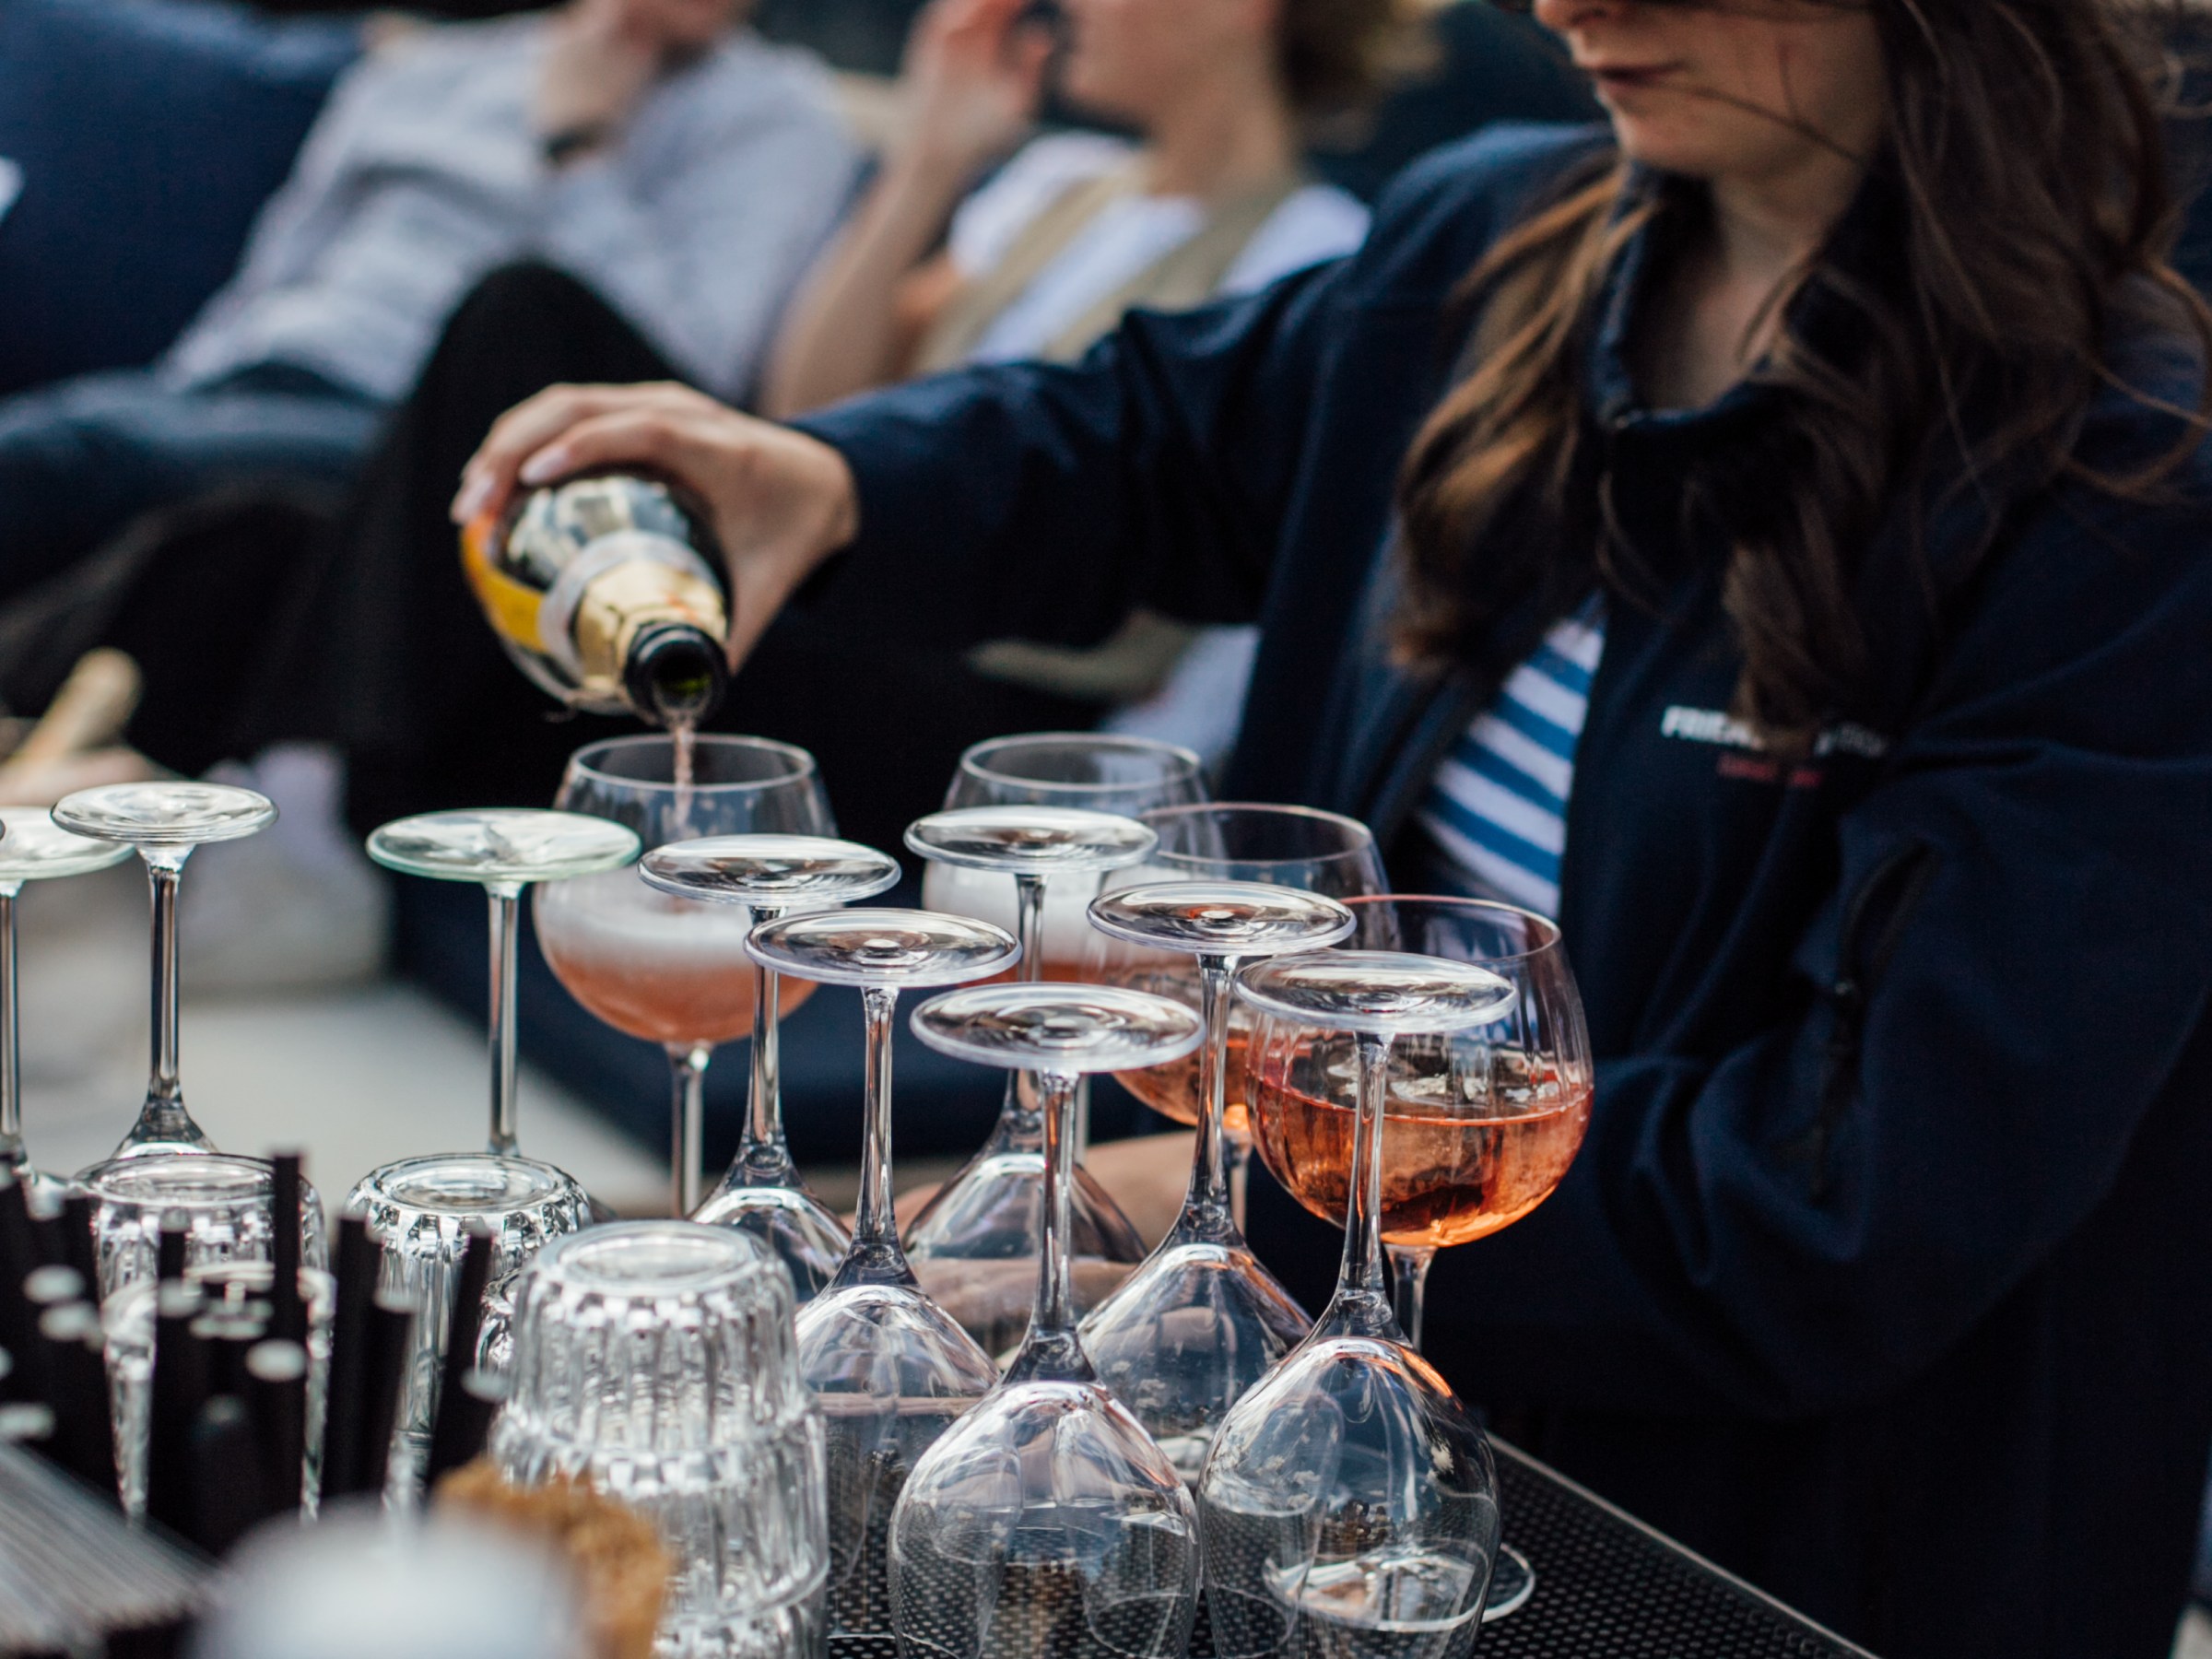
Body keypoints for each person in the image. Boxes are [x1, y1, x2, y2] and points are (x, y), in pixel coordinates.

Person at [453, 0, 2212, 1653]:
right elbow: (1145, 441)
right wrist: (829, 484)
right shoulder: (1493, 242)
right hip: (1360, 1463)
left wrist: (1235, 1203)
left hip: (1788, 1554)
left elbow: (1845, 1206)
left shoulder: (2128, 483)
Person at [0, 0, 857, 607]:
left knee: (63, 457)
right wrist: (184, 389)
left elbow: (682, 365)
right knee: (76, 443)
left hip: (423, 433)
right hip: (248, 381)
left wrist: (581, 148)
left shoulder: (778, 121)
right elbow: (279, 266)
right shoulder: (429, 70)